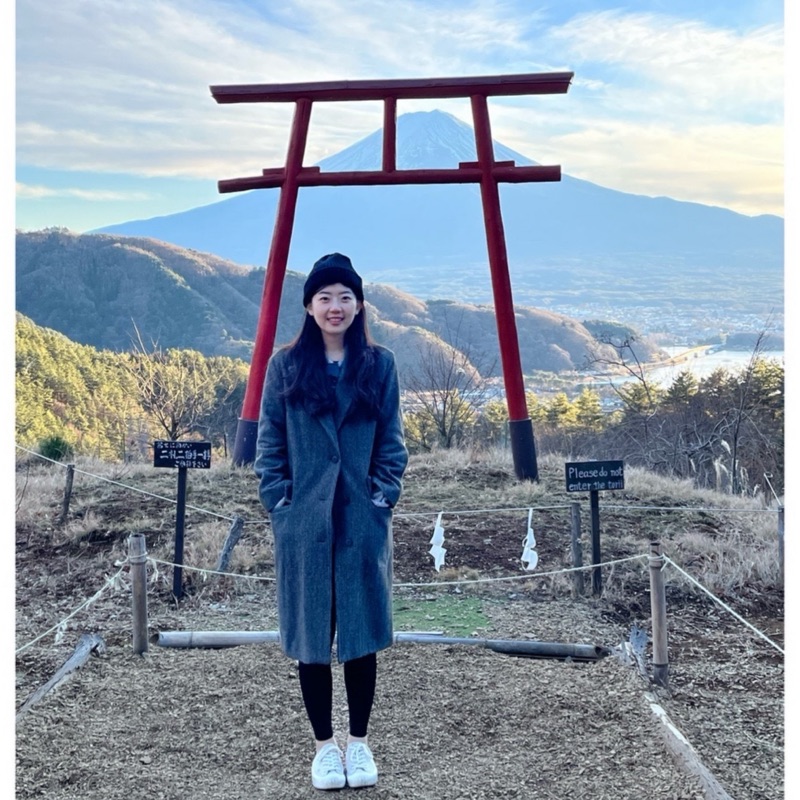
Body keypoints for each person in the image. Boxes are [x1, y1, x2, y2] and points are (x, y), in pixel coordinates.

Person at [254, 252, 408, 791]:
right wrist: (280, 500)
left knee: (361, 633)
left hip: (362, 515)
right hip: (304, 521)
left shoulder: (379, 364)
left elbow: (392, 441)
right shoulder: (287, 366)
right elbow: (270, 443)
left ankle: (359, 744)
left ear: (359, 305)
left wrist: (382, 493)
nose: (335, 306)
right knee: (311, 634)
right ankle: (324, 748)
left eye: (345, 296)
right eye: (324, 297)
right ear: (309, 306)